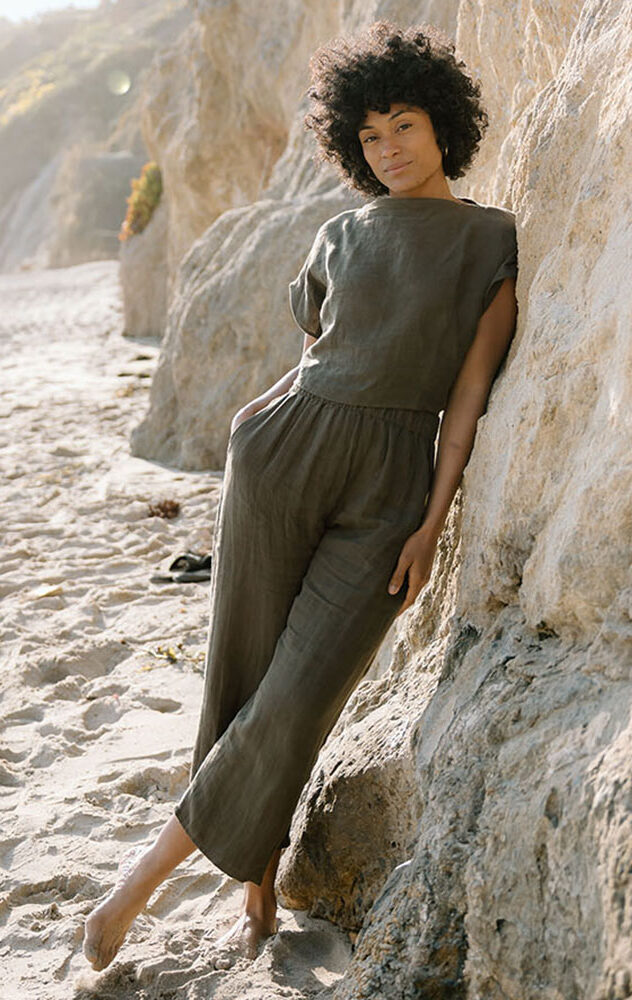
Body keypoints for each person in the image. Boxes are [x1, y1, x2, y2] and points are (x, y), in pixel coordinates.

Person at [83, 19, 519, 971]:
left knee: (300, 692)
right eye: (369, 135)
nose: (389, 148)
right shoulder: (339, 232)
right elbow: (321, 351)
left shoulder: (491, 241)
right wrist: (256, 415)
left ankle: (140, 883)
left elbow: (468, 396)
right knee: (240, 675)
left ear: (443, 125)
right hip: (282, 457)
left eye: (404, 125)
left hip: (391, 486)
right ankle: (258, 885)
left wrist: (432, 521)